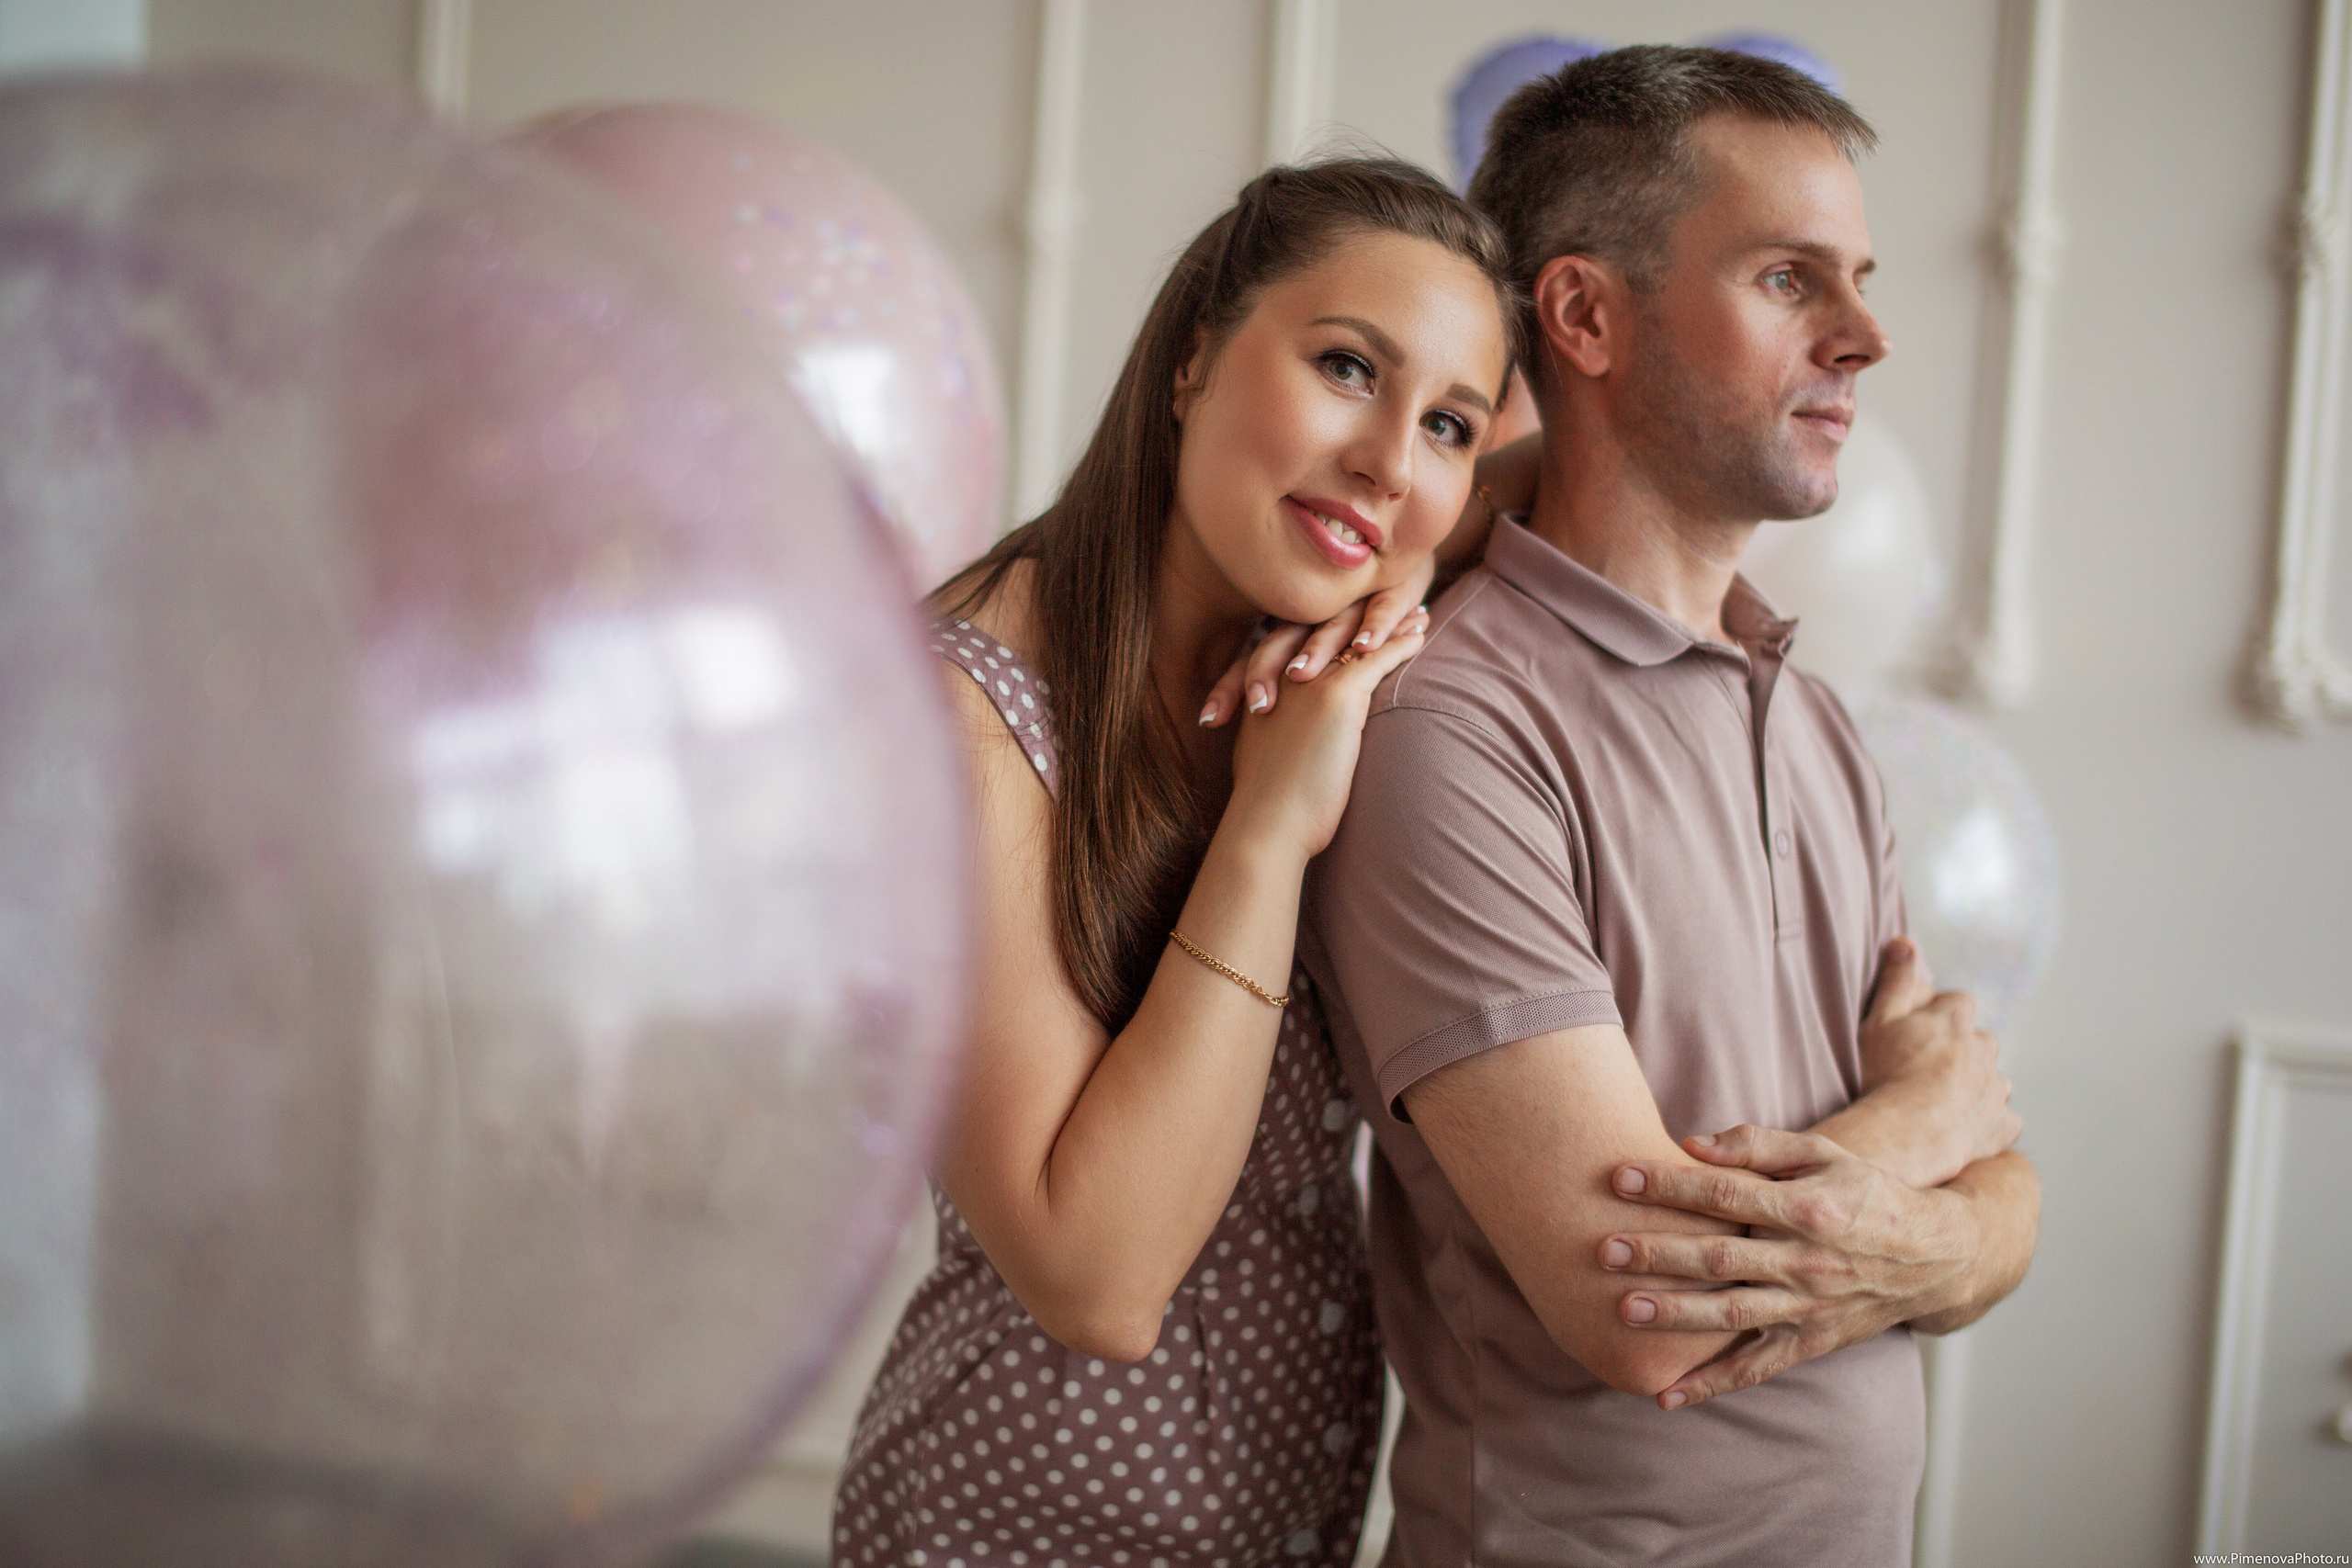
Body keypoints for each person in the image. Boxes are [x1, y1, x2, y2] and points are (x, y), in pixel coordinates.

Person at [1299, 46, 2042, 1567]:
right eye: (1791, 279)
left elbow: (2002, 1196)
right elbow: (1633, 1302)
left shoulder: (1817, 720)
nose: (1866, 336)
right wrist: (1929, 1124)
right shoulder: (1452, 724)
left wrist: (1960, 1227)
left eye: (1861, 279)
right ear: (1583, 316)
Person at [830, 158, 1520, 1567]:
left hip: (1290, 1526)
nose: (1395, 461)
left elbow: (1541, 477)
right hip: (1009, 1528)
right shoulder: (958, 712)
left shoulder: (1322, 645)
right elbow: (1098, 1281)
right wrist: (1268, 827)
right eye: (1345, 366)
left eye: (1446, 422)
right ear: (1192, 360)